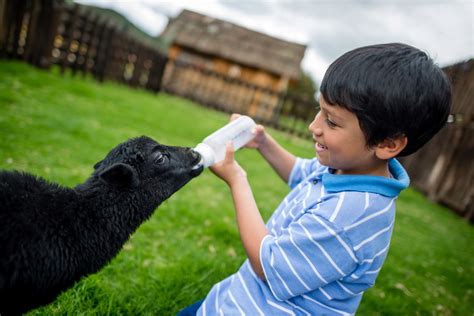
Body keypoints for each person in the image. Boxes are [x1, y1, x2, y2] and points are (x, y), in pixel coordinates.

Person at [177, 43, 452, 315]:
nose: (314, 126)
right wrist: (263, 142)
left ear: (388, 143)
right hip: (237, 299)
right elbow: (300, 174)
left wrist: (237, 180)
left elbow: (267, 264)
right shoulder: (345, 169)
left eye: (331, 121)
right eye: (320, 110)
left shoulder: (350, 217)